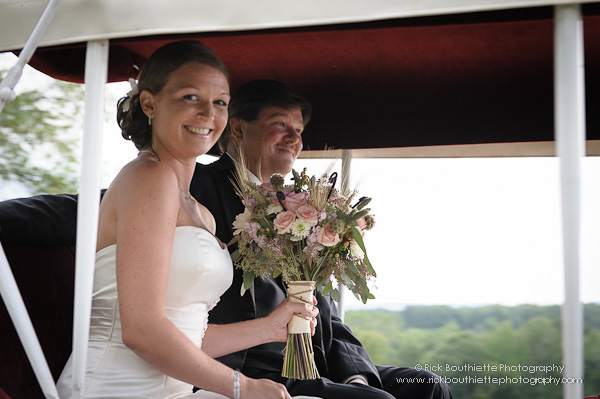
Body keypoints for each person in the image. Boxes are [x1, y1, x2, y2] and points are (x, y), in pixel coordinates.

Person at [52, 41, 319, 399]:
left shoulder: (199, 212)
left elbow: (189, 336)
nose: (209, 114)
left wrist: (269, 328)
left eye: (220, 102)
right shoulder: (148, 178)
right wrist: (242, 387)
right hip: (116, 388)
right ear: (150, 103)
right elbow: (142, 331)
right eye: (191, 97)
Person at [190, 79, 454, 399]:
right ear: (238, 128)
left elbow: (323, 308)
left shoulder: (302, 207)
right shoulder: (196, 186)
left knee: (426, 386)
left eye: (299, 130)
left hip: (313, 361)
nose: (294, 138)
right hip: (249, 363)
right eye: (280, 124)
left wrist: (355, 374)